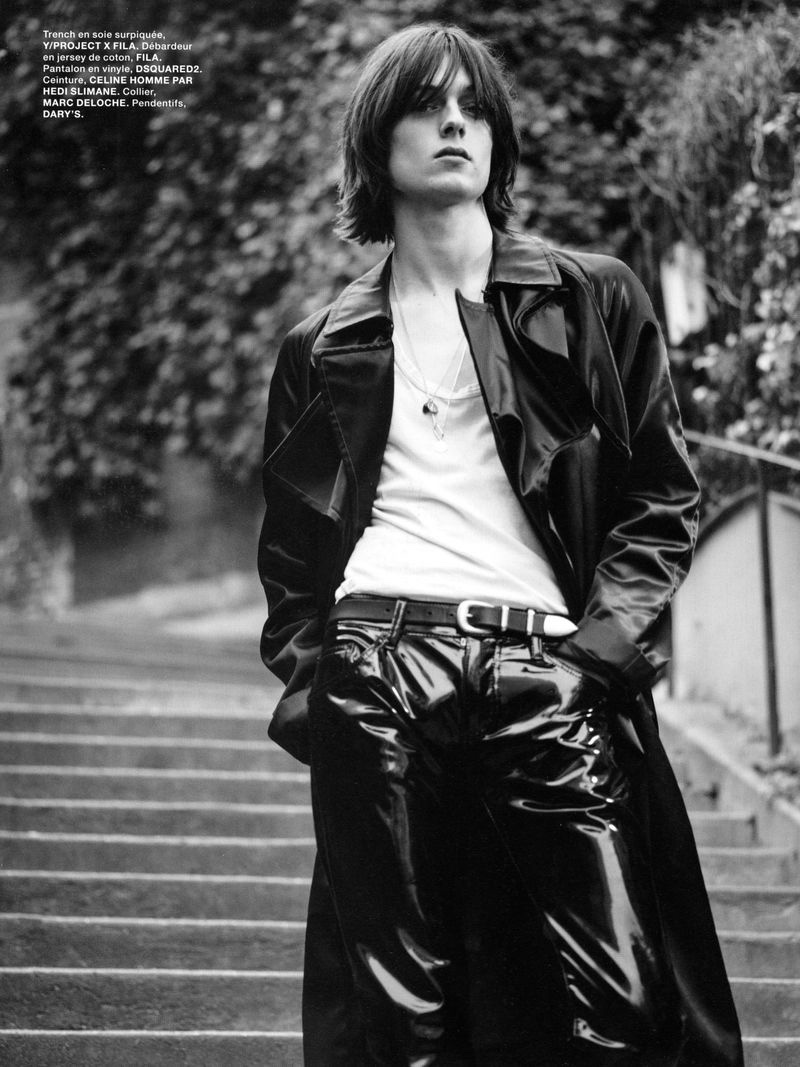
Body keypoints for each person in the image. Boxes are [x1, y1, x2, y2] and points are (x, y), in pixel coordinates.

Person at [258, 22, 744, 1067]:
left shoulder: (588, 296)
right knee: (403, 1018)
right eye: (427, 105)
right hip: (378, 664)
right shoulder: (324, 343)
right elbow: (293, 553)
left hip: (544, 664)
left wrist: (600, 648)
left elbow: (660, 491)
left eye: (474, 109)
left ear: (498, 142)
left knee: (625, 1002)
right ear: (375, 139)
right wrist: (315, 684)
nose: (454, 124)